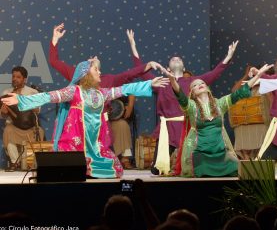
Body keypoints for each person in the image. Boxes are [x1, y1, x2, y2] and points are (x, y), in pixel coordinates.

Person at [1, 58, 169, 178]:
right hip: (75, 145)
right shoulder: (74, 91)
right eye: (96, 69)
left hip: (95, 147)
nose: (100, 72)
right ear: (86, 73)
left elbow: (123, 89)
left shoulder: (101, 93)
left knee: (115, 167)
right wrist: (20, 99)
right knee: (72, 166)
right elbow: (48, 96)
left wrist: (148, 84)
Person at [127, 29, 238, 175]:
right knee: (156, 170)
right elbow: (141, 71)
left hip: (188, 127)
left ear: (184, 68)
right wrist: (133, 46)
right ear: (167, 68)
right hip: (167, 129)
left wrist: (228, 57)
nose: (176, 59)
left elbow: (214, 74)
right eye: (173, 59)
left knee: (192, 165)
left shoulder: (194, 82)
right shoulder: (161, 82)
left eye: (179, 59)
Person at [165, 64, 269, 177]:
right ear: (192, 93)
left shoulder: (220, 103)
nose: (199, 85)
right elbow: (180, 96)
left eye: (202, 83)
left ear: (207, 88)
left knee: (236, 169)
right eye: (195, 85)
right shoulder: (191, 106)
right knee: (202, 171)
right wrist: (172, 80)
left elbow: (239, 93)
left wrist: (258, 75)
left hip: (220, 153)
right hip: (200, 154)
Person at [0, 66, 45, 171]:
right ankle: (15, 162)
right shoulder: (6, 93)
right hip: (14, 127)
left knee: (40, 131)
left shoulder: (32, 92)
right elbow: (3, 115)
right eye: (13, 76)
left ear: (25, 79)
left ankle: (31, 164)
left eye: (18, 77)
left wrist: (24, 102)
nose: (15, 79)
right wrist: (3, 112)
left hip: (30, 127)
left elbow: (38, 110)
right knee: (8, 130)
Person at [230, 65, 274, 160]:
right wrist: (246, 75)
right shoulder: (249, 84)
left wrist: (264, 82)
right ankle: (247, 165)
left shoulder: (270, 84)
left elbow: (272, 101)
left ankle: (258, 166)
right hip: (243, 121)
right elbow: (234, 91)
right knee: (245, 148)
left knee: (261, 147)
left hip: (261, 120)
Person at [109, 95, 136, 169]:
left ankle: (125, 159)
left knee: (122, 125)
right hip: (97, 118)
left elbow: (131, 90)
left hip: (115, 115)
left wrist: (130, 106)